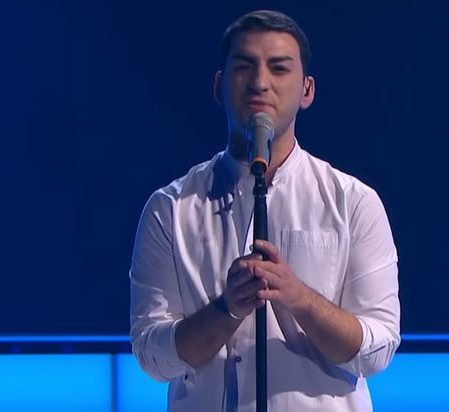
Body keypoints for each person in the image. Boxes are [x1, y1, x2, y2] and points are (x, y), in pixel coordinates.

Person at [130, 9, 400, 412]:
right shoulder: (169, 208)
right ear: (219, 86)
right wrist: (227, 308)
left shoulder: (353, 202)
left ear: (307, 90)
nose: (259, 82)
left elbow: (377, 350)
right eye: (244, 67)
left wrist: (299, 297)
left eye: (279, 68)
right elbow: (153, 355)